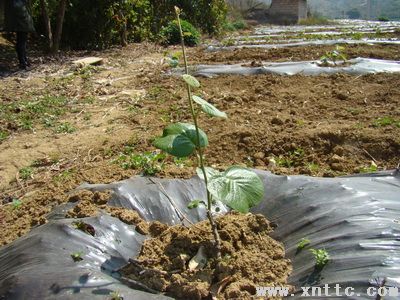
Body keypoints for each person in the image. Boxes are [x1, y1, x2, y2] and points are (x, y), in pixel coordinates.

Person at [4, 0, 35, 69]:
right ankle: (23, 62)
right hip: (21, 25)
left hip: (21, 25)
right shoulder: (17, 3)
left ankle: (24, 61)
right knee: (21, 44)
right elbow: (20, 11)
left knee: (22, 43)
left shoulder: (18, 2)